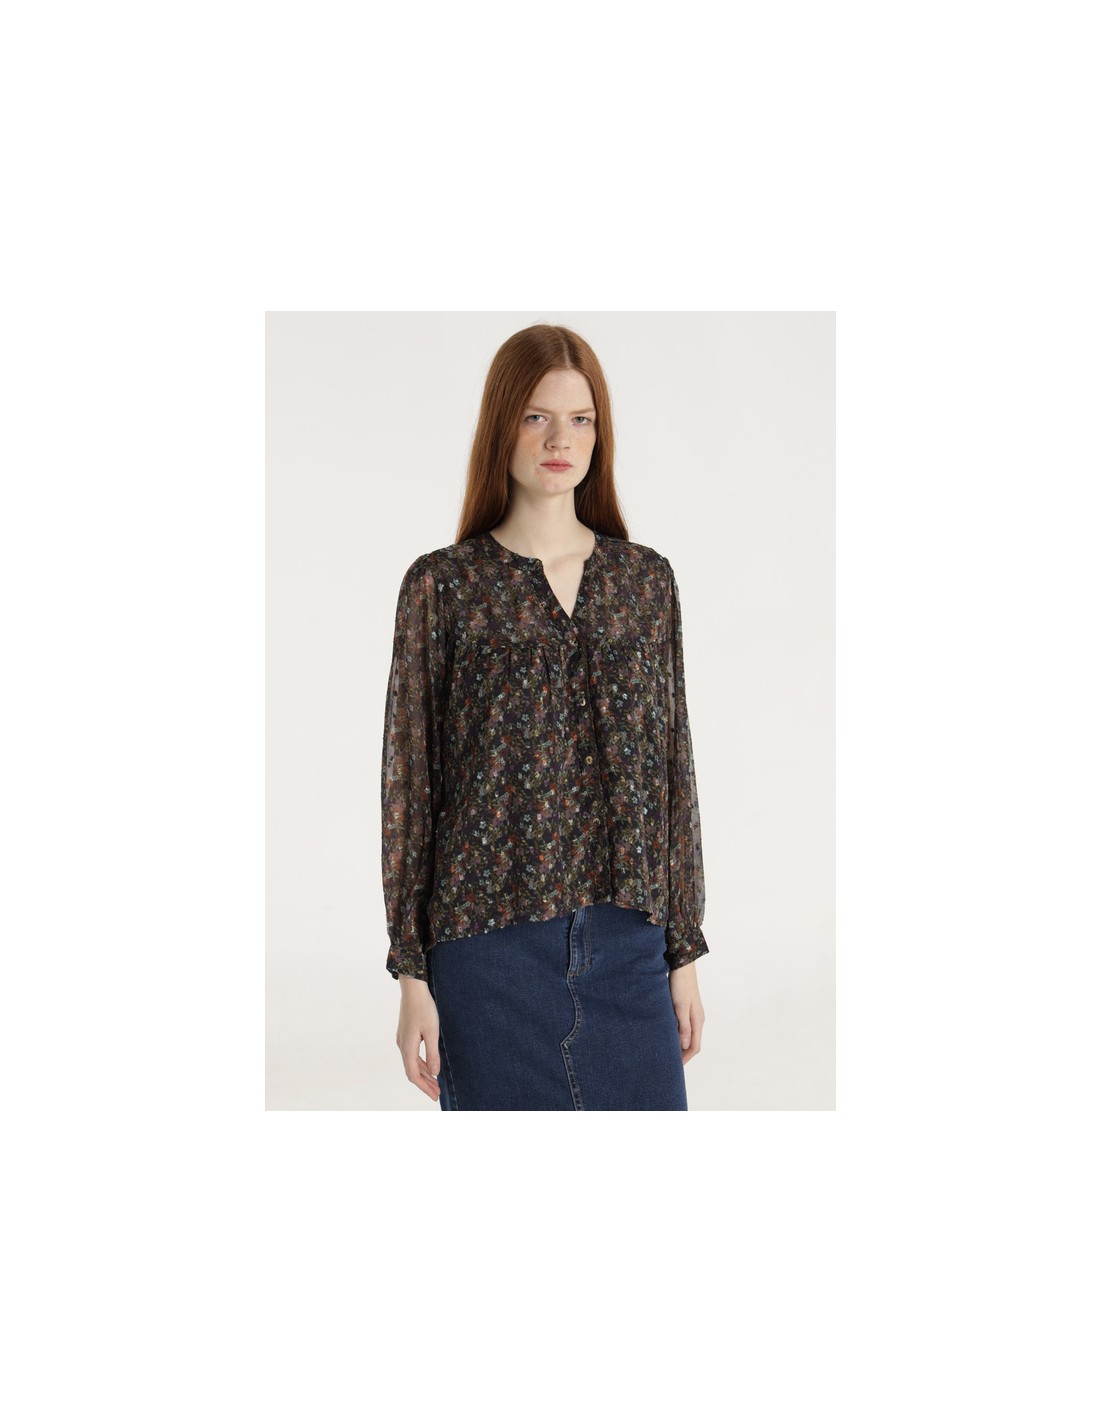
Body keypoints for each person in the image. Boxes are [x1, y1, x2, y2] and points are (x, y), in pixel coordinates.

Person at [381, 323, 709, 1110]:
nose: (560, 439)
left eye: (580, 419)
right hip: (486, 954)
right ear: (502, 426)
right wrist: (412, 973)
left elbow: (673, 772)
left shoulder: (644, 582)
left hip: (628, 944)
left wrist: (683, 955)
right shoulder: (444, 587)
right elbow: (409, 787)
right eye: (536, 417)